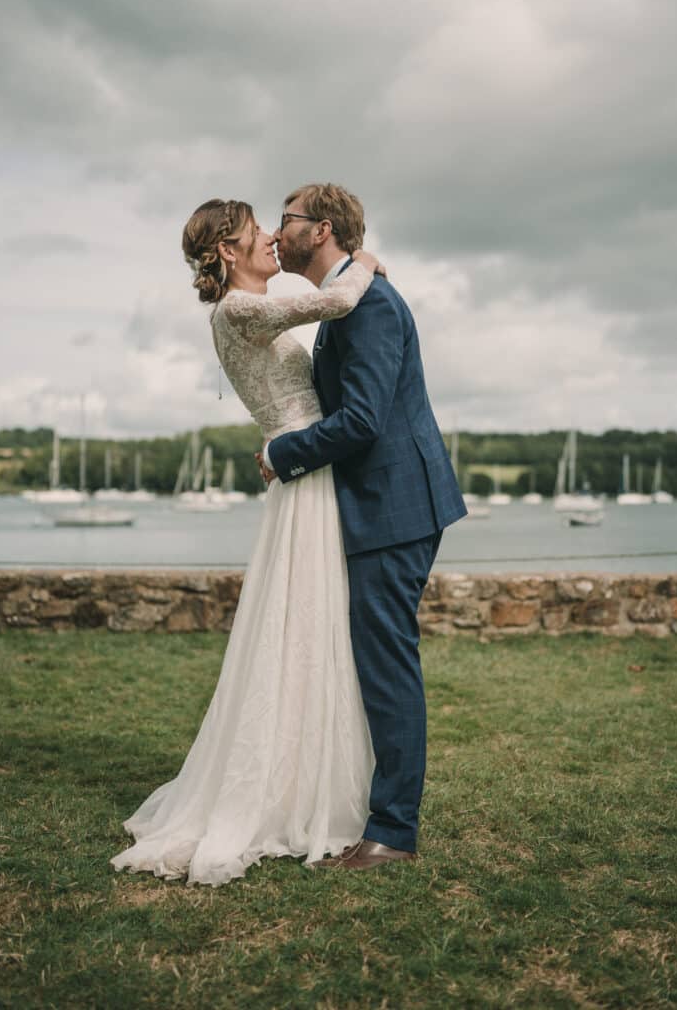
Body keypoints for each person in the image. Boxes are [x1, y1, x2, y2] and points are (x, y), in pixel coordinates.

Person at [110, 198, 383, 886]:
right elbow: (339, 301)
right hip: (302, 470)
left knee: (308, 623)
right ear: (227, 253)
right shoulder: (236, 310)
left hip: (301, 463)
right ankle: (284, 788)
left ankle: (302, 774)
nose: (268, 238)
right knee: (302, 624)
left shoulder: (239, 311)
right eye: (254, 232)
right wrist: (367, 261)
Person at [259, 183, 466, 871]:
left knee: (386, 664)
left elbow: (364, 420)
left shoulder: (369, 302)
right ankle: (372, 810)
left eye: (283, 221)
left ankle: (393, 832)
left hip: (395, 505)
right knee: (375, 661)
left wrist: (282, 455)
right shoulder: (350, 293)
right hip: (380, 503)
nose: (273, 230)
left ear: (319, 230)